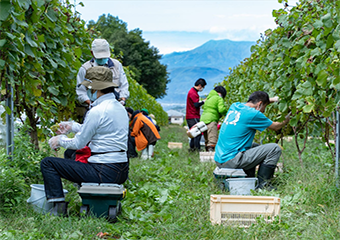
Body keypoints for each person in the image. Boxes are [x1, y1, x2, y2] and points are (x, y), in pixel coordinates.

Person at [41, 66, 129, 216]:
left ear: (95, 89)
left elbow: (78, 143)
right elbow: (101, 129)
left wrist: (59, 140)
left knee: (48, 163)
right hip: (121, 169)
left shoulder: (96, 111)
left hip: (103, 171)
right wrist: (72, 126)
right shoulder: (119, 108)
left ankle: (58, 208)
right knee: (72, 157)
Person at [214, 91, 288, 190]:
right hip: (232, 160)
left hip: (220, 158)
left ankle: (249, 178)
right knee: (274, 149)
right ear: (260, 104)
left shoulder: (235, 106)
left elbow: (255, 102)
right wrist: (289, 117)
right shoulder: (253, 114)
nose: (263, 111)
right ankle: (264, 185)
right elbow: (276, 126)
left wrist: (272, 100)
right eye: (264, 108)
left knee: (254, 146)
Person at [76, 39, 129, 118]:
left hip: (115, 106)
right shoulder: (85, 69)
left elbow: (124, 85)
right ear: (92, 53)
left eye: (104, 57)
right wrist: (90, 103)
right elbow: (81, 91)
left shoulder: (117, 65)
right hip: (94, 108)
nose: (102, 59)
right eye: (99, 57)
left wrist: (122, 100)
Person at [200, 86, 227, 152]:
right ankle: (211, 154)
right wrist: (227, 113)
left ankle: (206, 154)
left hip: (203, 119)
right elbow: (221, 110)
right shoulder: (219, 98)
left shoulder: (208, 98)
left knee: (207, 138)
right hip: (211, 119)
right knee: (212, 138)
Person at [185, 78, 207, 152]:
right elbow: (196, 105)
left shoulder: (192, 92)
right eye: (203, 87)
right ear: (200, 86)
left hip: (190, 115)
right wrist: (204, 101)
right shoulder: (193, 93)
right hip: (193, 116)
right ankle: (196, 149)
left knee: (193, 133)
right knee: (197, 133)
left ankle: (192, 149)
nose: (202, 89)